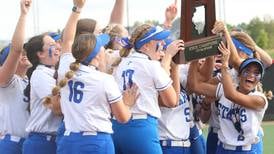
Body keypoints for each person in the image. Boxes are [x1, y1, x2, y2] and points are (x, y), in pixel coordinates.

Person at [47, 0, 137, 153]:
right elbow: (122, 118)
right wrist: (127, 104)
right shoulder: (104, 80)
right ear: (96, 56)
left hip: (69, 141)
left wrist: (77, 8)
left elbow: (67, 39)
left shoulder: (66, 67)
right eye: (101, 46)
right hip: (96, 142)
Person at [112, 23, 184, 154]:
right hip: (141, 128)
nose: (162, 43)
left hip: (117, 126)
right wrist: (170, 60)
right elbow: (172, 101)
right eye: (158, 40)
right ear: (146, 45)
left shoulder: (121, 63)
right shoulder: (151, 65)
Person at [189, 42, 268, 154]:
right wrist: (194, 60)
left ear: (259, 80)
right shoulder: (223, 89)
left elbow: (231, 95)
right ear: (239, 75)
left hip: (244, 150)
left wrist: (225, 65)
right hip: (222, 148)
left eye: (256, 73)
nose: (251, 75)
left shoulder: (260, 99)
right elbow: (194, 86)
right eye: (247, 71)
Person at [0, 0, 32, 153]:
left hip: (28, 144)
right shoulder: (8, 81)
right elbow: (16, 50)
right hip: (12, 144)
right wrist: (23, 16)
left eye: (25, 54)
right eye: (21, 55)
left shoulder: (29, 80)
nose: (23, 55)